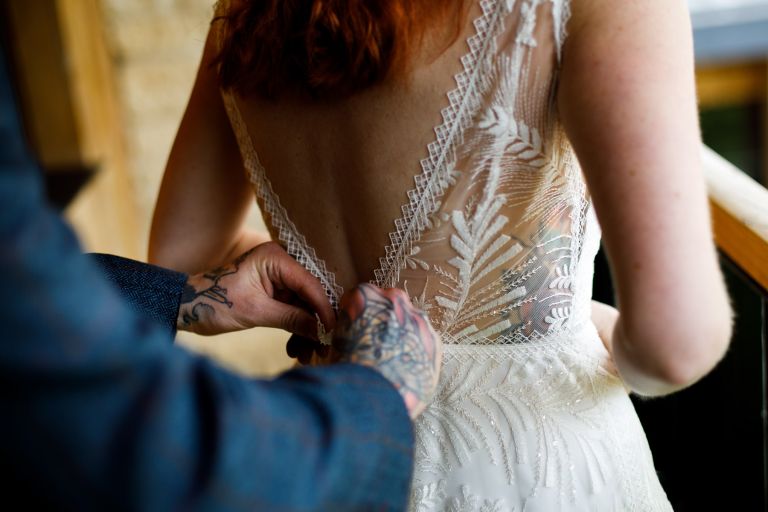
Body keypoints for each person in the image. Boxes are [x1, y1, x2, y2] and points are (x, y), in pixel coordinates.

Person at [149, 0, 734, 509]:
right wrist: (571, 332)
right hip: (539, 471)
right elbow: (676, 343)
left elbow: (184, 257)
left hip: (350, 451)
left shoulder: (251, 14)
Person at [0, 38, 442, 510]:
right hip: (366, 417)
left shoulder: (245, 21)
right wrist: (374, 398)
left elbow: (181, 253)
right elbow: (137, 442)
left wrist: (187, 296)